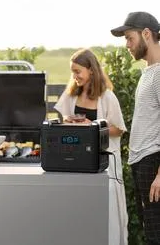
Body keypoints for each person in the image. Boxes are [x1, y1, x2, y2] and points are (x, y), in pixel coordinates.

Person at [54, 48, 128, 245]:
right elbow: (62, 126)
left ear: (92, 71)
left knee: (105, 213)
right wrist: (68, 123)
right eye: (72, 72)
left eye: (78, 71)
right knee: (78, 214)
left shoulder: (107, 97)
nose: (74, 76)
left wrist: (93, 126)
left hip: (103, 165)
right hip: (77, 164)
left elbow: (118, 129)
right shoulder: (70, 96)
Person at [111, 11, 160, 245]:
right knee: (150, 233)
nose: (128, 45)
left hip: (154, 164)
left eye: (130, 38)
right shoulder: (148, 72)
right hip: (143, 164)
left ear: (147, 34)